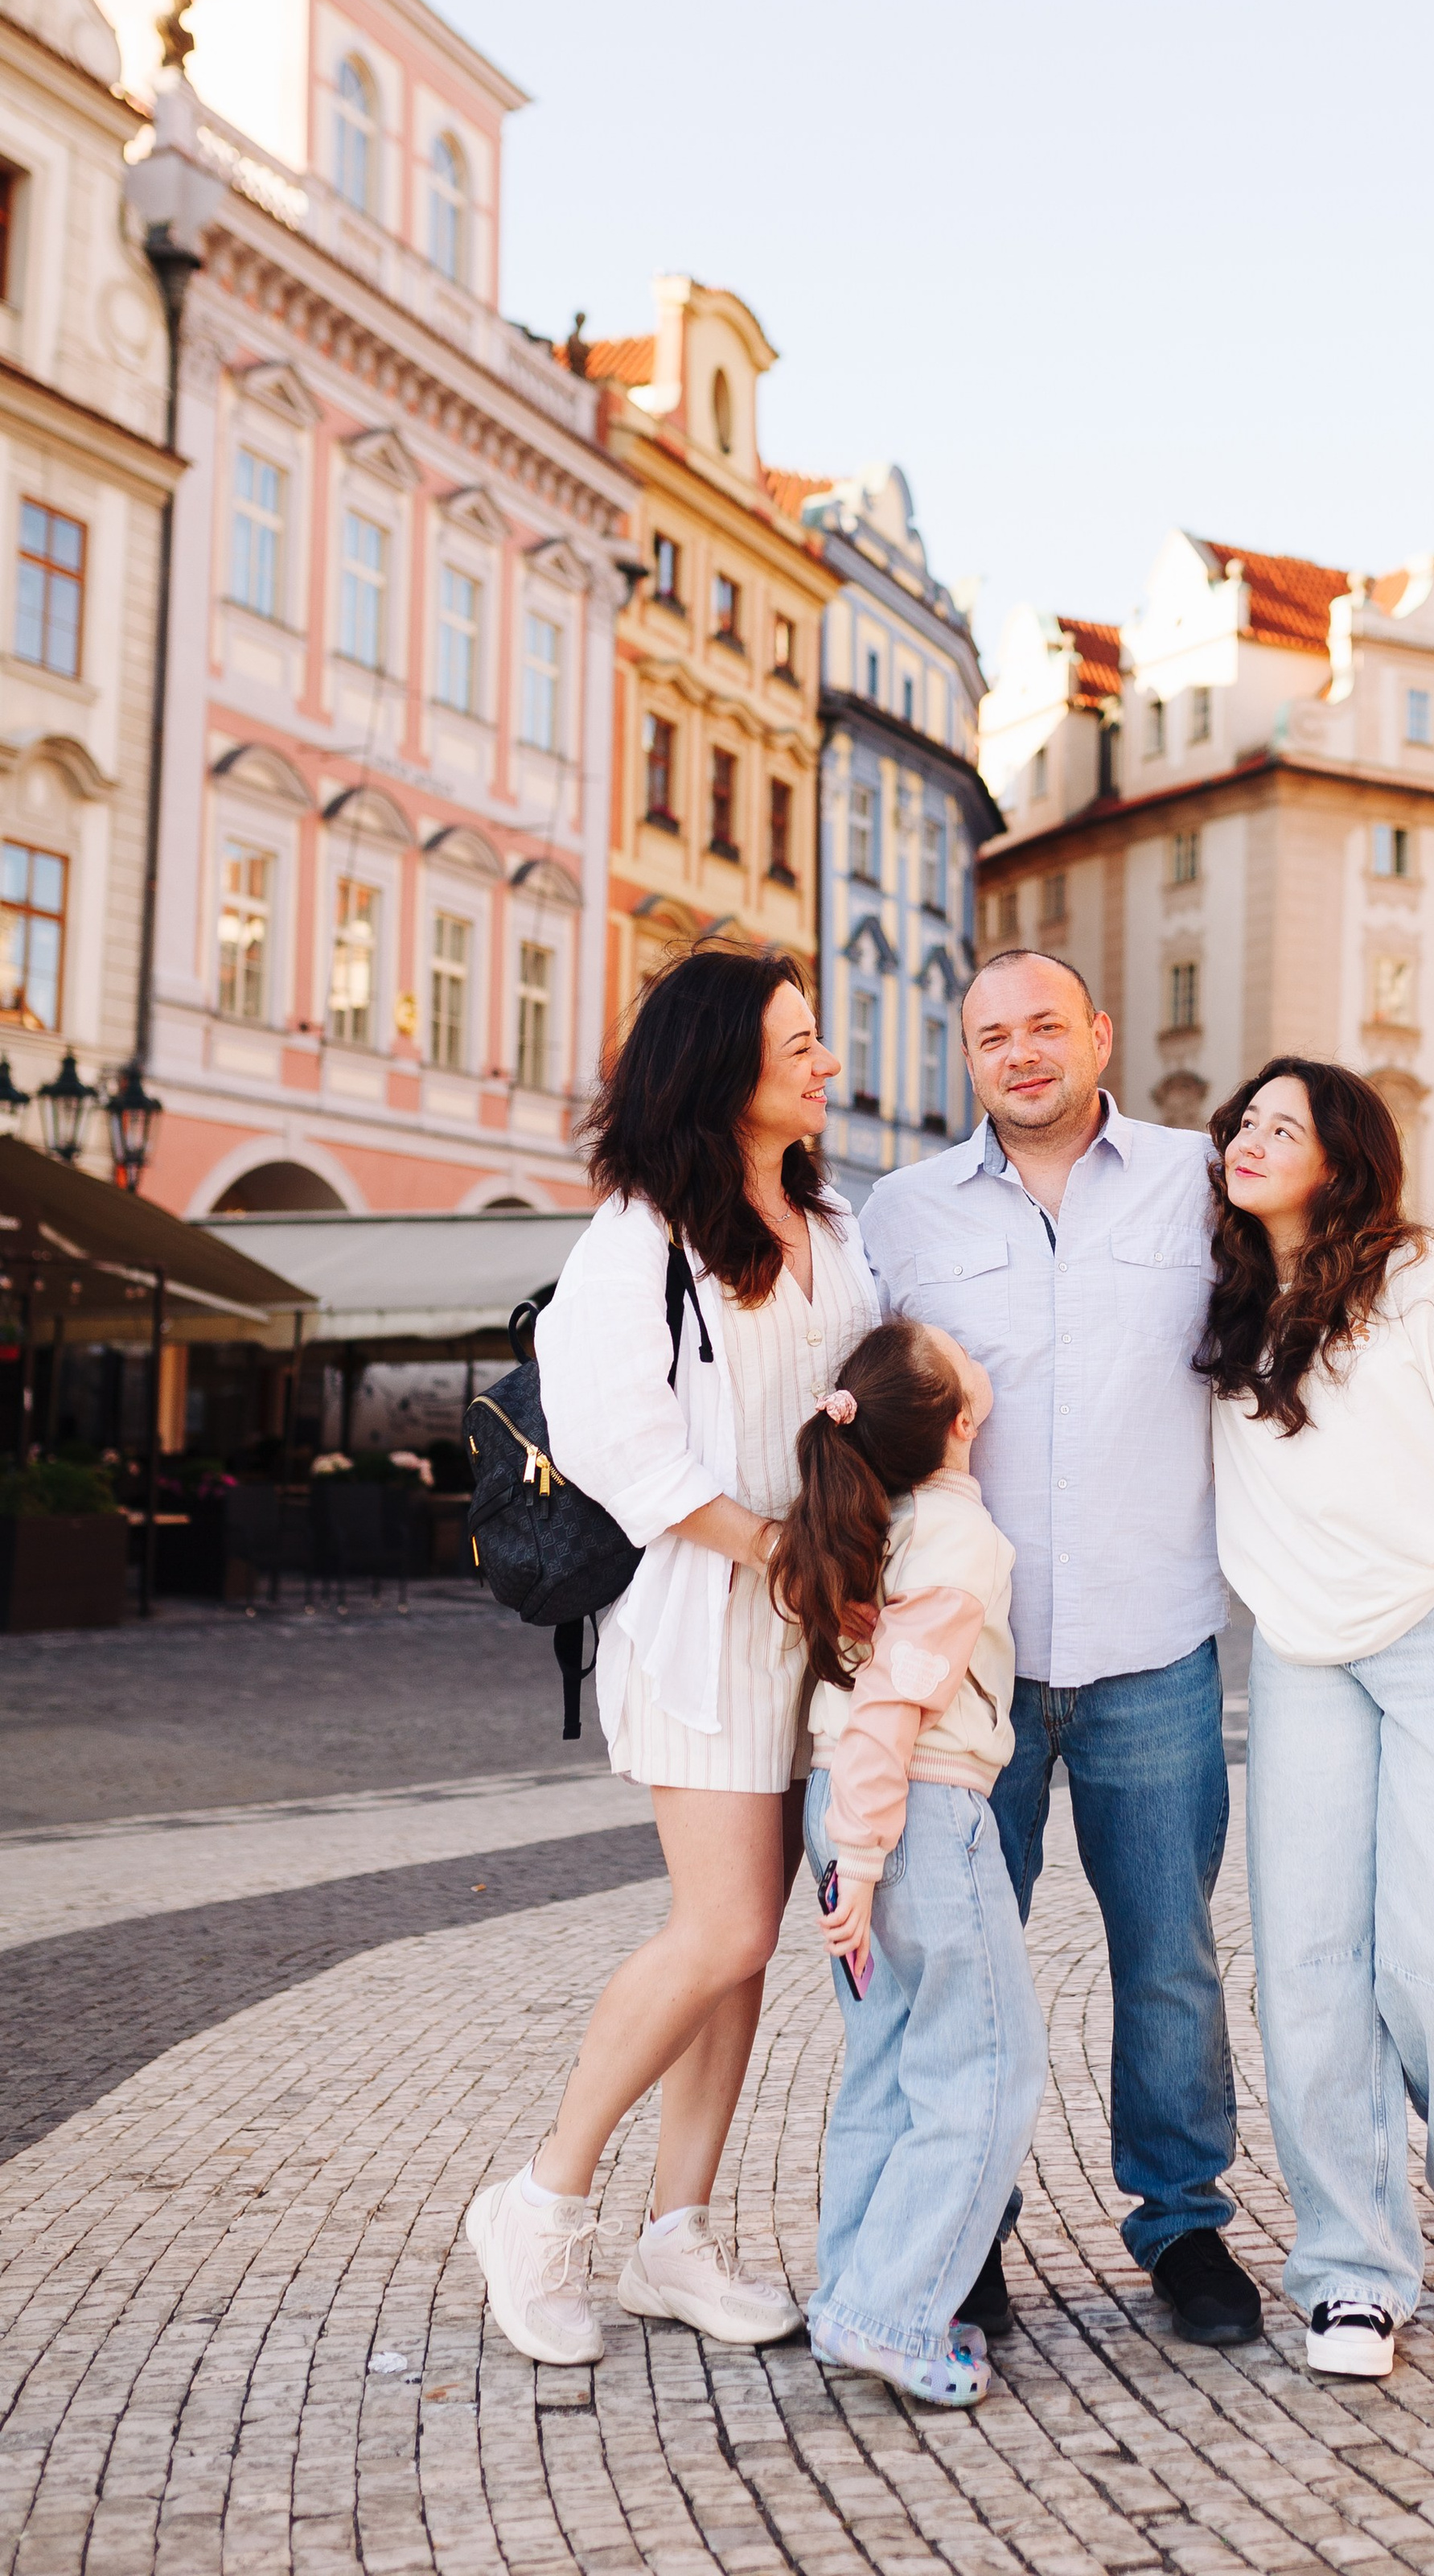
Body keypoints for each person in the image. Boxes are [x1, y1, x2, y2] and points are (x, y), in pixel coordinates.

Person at [465, 946, 878, 2367]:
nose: (829, 1062)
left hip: (810, 1638)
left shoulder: (831, 1217)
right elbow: (616, 1444)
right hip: (707, 1626)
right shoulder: (637, 1238)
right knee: (725, 1930)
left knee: (744, 1955)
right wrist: (774, 1548)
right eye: (802, 1042)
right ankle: (538, 2204)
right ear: (722, 1070)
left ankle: (674, 2237)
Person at [861, 948, 1261, 2348]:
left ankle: (1186, 2225)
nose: (1020, 1054)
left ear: (1100, 1032)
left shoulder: (1200, 1183)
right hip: (977, 1668)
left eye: (1045, 1027)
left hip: (1154, 1639)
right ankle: (967, 2229)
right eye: (991, 1037)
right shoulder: (898, 1216)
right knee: (964, 1964)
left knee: (1169, 1953)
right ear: (965, 1058)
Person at [1198, 1057, 1434, 2382]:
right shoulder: (1229, 1304)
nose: (1249, 1138)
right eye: (1243, 1121)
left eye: (1282, 1126)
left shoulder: (1417, 1281)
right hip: (1298, 1659)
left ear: (1341, 1158)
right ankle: (1352, 2271)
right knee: (1306, 1968)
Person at [769, 1315, 1044, 2407]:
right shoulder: (956, 1539)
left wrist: (851, 1844)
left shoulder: (873, 1519)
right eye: (956, 1349)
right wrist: (868, 1858)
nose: (974, 1346)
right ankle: (893, 2313)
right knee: (984, 2068)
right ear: (962, 1417)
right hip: (915, 1813)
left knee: (886, 2061)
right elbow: (893, 1705)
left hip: (858, 1802)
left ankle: (854, 2293)